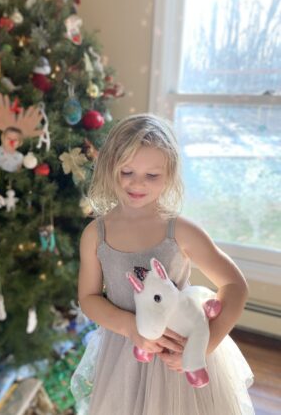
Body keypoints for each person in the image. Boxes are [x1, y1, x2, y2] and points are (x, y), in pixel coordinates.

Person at [71, 114, 254, 415]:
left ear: (169, 176)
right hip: (124, 356)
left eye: (151, 176)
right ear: (108, 168)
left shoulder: (180, 231)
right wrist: (131, 327)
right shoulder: (96, 235)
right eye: (126, 171)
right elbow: (88, 298)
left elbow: (235, 286)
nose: (137, 183)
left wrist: (202, 348)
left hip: (178, 357)